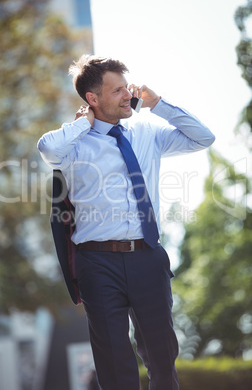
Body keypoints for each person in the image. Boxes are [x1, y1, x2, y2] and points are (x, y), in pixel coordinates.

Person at [37, 55, 215, 390]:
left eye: (126, 87)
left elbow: (202, 137)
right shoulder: (74, 145)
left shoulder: (146, 131)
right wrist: (82, 124)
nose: (126, 94)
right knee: (115, 365)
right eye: (117, 90)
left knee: (162, 358)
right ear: (93, 99)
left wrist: (158, 103)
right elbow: (46, 147)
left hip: (148, 256)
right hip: (98, 262)